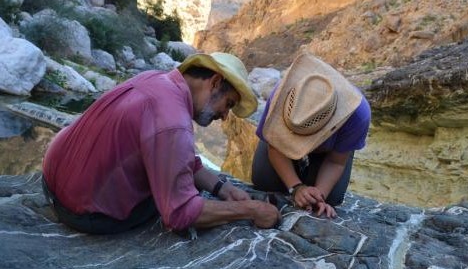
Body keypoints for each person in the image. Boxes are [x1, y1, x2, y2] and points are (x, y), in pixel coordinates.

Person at [42, 52, 281, 234]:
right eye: (228, 104)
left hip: (52, 184)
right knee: (187, 192)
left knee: (180, 178)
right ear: (215, 82)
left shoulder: (156, 79)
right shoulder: (173, 120)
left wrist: (223, 188)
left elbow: (180, 158)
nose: (225, 116)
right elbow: (179, 213)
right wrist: (251, 210)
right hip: (83, 213)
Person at [251, 52, 371, 218]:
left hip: (327, 154)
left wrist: (317, 197)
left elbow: (335, 162)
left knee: (333, 198)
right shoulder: (281, 96)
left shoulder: (357, 115)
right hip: (281, 147)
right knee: (265, 181)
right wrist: (296, 187)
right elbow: (275, 146)